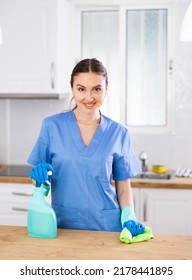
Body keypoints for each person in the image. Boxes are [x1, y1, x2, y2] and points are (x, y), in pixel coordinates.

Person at [28, 58, 144, 236]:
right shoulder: (51, 126)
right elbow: (41, 181)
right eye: (81, 89)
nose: (89, 97)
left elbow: (123, 185)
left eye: (97, 89)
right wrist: (38, 179)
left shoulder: (118, 133)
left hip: (108, 227)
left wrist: (129, 216)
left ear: (106, 89)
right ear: (72, 88)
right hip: (63, 226)